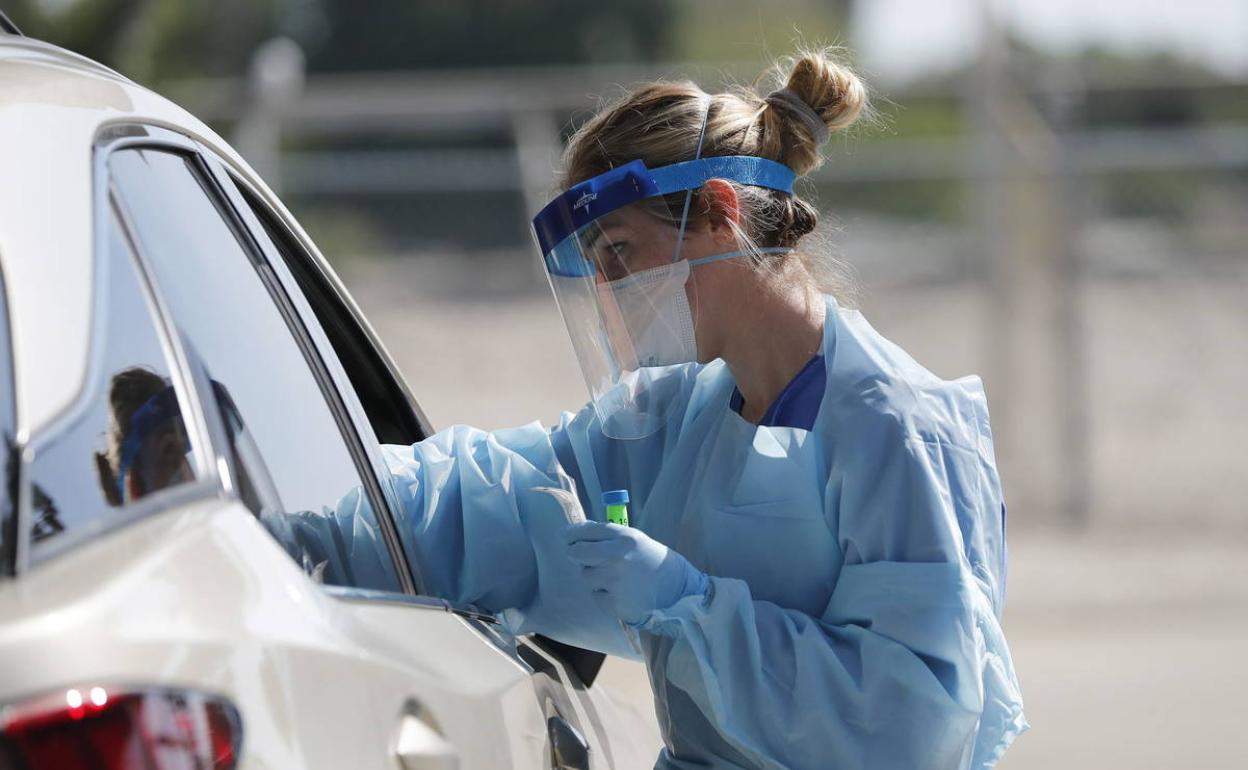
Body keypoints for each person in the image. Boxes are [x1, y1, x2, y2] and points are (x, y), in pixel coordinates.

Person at [381, 49, 1027, 769]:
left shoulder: (895, 426)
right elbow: (487, 503)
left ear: (720, 212)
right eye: (596, 270)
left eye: (621, 253)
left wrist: (690, 605)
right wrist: (315, 506)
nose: (612, 295)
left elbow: (908, 727)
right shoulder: (677, 419)